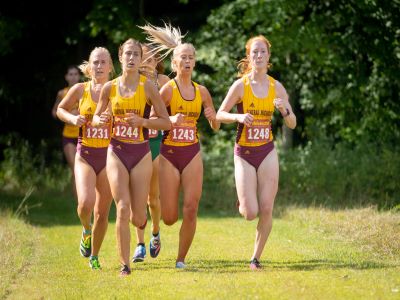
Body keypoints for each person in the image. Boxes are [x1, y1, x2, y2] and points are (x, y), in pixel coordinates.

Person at [139, 23, 220, 269]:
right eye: (182, 57)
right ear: (174, 63)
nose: (187, 61)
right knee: (171, 217)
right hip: (169, 154)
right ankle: (159, 228)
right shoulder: (167, 90)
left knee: (192, 207)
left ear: (195, 63)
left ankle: (181, 260)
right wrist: (169, 120)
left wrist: (212, 116)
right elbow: (151, 122)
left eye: (191, 57)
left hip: (192, 152)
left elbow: (215, 126)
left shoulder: (202, 92)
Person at [216, 35, 296, 269]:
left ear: (268, 57)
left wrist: (284, 111)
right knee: (250, 212)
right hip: (244, 154)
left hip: (267, 151)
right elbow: (220, 114)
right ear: (249, 57)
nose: (259, 56)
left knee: (267, 207)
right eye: (255, 53)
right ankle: (243, 201)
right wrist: (238, 116)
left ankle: (255, 258)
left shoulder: (276, 87)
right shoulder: (240, 85)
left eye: (263, 52)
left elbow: (292, 123)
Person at [92, 38, 170, 276]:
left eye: (136, 54)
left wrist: (144, 122)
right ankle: (125, 264)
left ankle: (146, 231)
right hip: (116, 151)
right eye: (128, 54)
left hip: (141, 152)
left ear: (141, 59)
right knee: (122, 209)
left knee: (138, 216)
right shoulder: (110, 88)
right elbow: (96, 117)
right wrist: (100, 119)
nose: (132, 58)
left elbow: (166, 123)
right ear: (120, 57)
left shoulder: (148, 87)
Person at [57, 47, 114, 270]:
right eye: (95, 63)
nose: (99, 66)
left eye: (103, 62)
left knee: (102, 212)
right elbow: (61, 109)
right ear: (89, 68)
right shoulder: (80, 89)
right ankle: (85, 230)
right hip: (86, 154)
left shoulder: (118, 90)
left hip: (110, 157)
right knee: (85, 204)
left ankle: (95, 256)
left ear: (111, 67)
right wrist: (72, 119)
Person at [131, 44, 170, 263]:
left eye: (150, 57)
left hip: (156, 144)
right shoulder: (132, 82)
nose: (147, 61)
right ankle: (139, 245)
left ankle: (155, 233)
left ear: (157, 60)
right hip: (136, 143)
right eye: (142, 58)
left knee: (152, 199)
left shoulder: (164, 82)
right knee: (137, 199)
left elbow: (174, 109)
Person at [52, 65, 81, 199]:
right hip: (68, 136)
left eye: (76, 74)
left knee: (84, 170)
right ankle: (79, 203)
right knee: (76, 169)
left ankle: (85, 201)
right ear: (66, 77)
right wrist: (68, 115)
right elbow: (55, 112)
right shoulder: (62, 93)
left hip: (84, 136)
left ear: (79, 76)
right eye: (70, 74)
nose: (73, 76)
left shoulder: (84, 91)